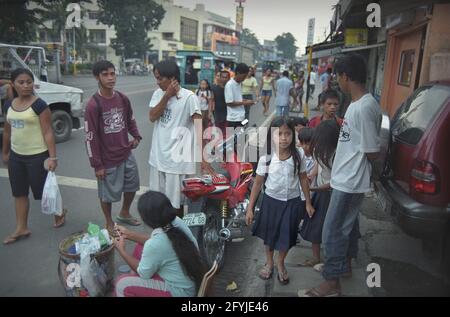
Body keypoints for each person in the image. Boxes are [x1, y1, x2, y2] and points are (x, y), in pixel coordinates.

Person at [300, 53, 382, 297]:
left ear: (346, 77)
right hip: (345, 179)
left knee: (332, 231)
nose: (338, 81)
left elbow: (370, 151)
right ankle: (342, 267)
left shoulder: (364, 108)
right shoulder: (357, 106)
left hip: (350, 182)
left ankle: (331, 282)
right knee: (343, 228)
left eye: (338, 76)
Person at [246, 116, 315, 285]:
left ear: (293, 135)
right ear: (272, 136)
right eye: (279, 134)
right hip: (271, 202)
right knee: (270, 236)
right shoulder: (267, 158)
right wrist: (250, 208)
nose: (284, 137)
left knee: (288, 235)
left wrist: (307, 202)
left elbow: (304, 179)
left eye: (288, 133)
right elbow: (258, 184)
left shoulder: (298, 155)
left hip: (292, 202)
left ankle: (280, 262)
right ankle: (269, 262)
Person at [2, 68, 64, 244]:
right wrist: (5, 152)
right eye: (21, 82)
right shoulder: (8, 105)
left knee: (44, 192)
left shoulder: (40, 105)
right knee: (19, 193)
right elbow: (7, 131)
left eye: (29, 82)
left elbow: (48, 133)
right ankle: (21, 227)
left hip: (38, 157)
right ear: (13, 84)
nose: (25, 85)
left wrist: (52, 158)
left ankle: (60, 212)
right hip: (16, 157)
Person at [84, 60, 142, 232]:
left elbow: (130, 119)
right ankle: (109, 221)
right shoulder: (93, 105)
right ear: (97, 77)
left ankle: (124, 212)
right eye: (105, 74)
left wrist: (136, 136)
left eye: (112, 73)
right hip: (106, 159)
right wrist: (97, 165)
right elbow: (90, 137)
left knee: (132, 186)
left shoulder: (122, 98)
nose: (110, 78)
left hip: (126, 153)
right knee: (106, 194)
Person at [148, 60, 212, 217]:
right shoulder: (158, 94)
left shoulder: (189, 98)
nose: (157, 82)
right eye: (156, 78)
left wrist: (203, 158)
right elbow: (152, 116)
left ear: (172, 78)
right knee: (159, 200)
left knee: (176, 203)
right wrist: (166, 97)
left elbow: (199, 129)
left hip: (177, 162)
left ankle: (178, 234)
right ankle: (163, 232)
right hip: (157, 158)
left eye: (160, 78)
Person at [114, 191, 206, 297]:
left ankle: (136, 285)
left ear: (146, 219)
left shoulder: (156, 244)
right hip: (191, 282)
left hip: (181, 293)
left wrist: (121, 249)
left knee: (122, 284)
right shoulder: (176, 221)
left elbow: (143, 273)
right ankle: (138, 285)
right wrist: (128, 234)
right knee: (140, 247)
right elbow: (157, 243)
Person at [299, 120, 340, 269]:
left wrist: (314, 189)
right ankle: (316, 258)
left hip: (331, 194)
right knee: (314, 227)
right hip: (320, 192)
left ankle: (332, 261)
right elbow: (317, 165)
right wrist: (310, 176)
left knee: (331, 230)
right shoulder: (319, 150)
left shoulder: (337, 155)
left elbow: (335, 181)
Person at [225, 63, 254, 130]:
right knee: (233, 139)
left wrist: (246, 101)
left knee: (241, 137)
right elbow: (229, 103)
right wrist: (244, 103)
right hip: (233, 119)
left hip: (241, 117)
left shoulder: (239, 84)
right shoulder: (230, 85)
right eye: (243, 76)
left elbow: (237, 99)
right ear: (238, 73)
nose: (244, 79)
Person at [211, 70, 230, 138]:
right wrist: (210, 113)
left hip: (229, 115)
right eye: (223, 77)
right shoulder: (214, 88)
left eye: (226, 77)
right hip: (217, 114)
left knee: (226, 134)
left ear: (229, 78)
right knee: (218, 132)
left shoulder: (230, 88)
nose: (224, 79)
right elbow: (211, 100)